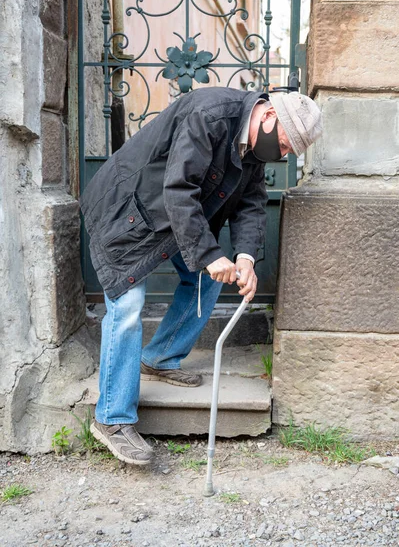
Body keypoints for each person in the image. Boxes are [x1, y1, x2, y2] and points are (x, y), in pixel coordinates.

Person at [80, 87, 322, 465]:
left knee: (210, 278)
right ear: (270, 118)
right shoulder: (210, 115)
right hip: (125, 208)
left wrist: (244, 257)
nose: (285, 155)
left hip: (173, 218)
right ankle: (111, 418)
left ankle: (159, 357)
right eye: (288, 146)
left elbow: (252, 203)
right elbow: (178, 188)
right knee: (127, 305)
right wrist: (209, 254)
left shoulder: (255, 147)